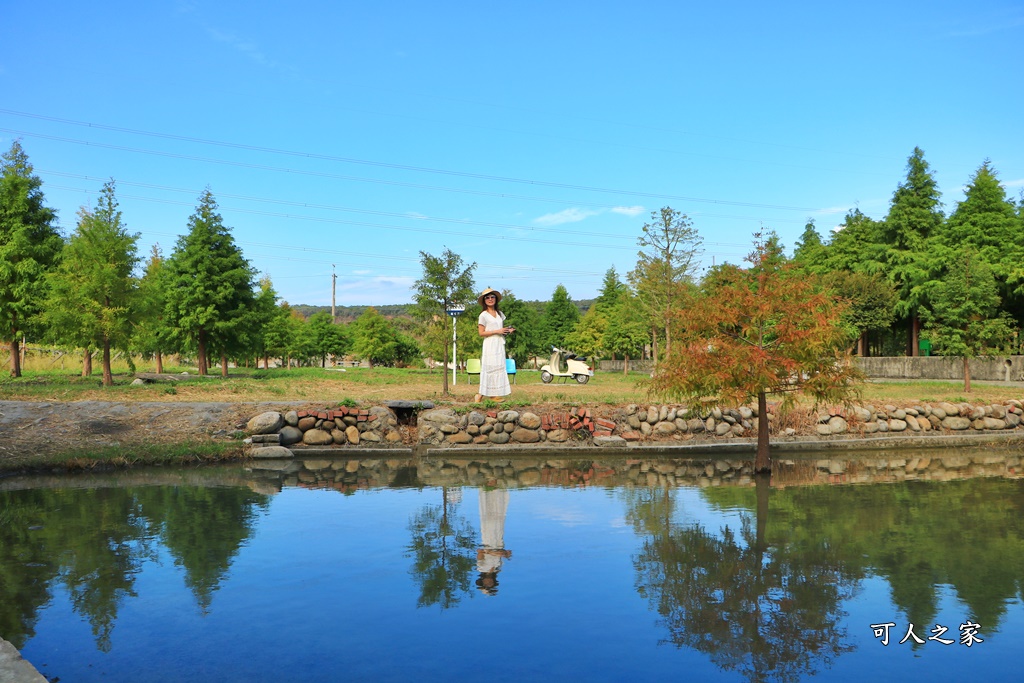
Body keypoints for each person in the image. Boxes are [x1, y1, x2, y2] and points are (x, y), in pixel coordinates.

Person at [474, 287, 514, 403]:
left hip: (499, 343)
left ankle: (493, 395)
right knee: (489, 368)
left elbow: (500, 329)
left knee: (498, 367)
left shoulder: (499, 314)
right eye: (488, 297)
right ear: (484, 300)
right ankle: (481, 395)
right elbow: (481, 333)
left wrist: (506, 331)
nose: (490, 299)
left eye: (492, 297)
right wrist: (497, 331)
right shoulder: (483, 315)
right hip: (490, 343)